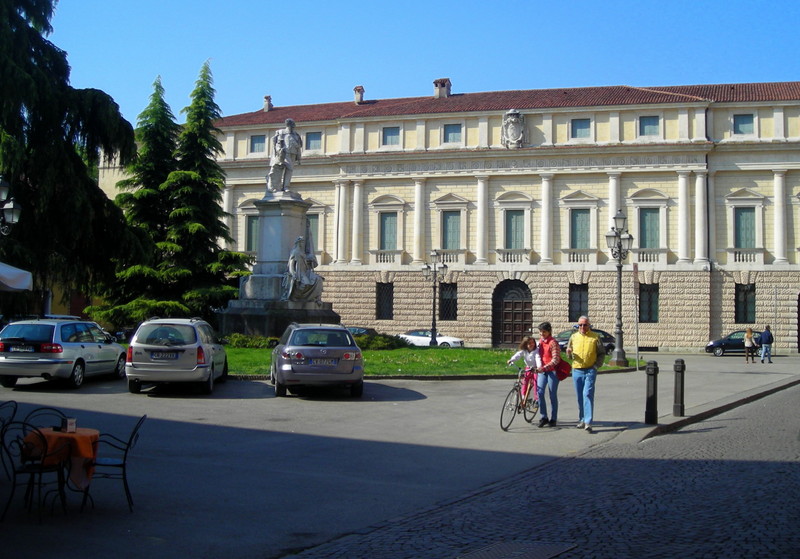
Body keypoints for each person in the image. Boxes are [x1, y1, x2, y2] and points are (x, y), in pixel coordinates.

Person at [566, 316, 605, 433]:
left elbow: (602, 353)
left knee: (587, 393)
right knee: (579, 396)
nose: (583, 327)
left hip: (590, 370)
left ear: (589, 325)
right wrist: (568, 352)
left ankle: (588, 422)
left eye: (585, 325)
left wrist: (596, 366)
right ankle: (582, 419)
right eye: (580, 325)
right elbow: (569, 354)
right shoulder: (573, 337)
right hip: (577, 370)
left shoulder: (595, 337)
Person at [534, 321, 561, 428]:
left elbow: (556, 359)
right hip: (542, 371)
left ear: (549, 331)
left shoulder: (553, 343)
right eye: (540, 332)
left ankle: (553, 418)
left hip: (552, 371)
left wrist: (544, 368)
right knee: (539, 392)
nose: (541, 334)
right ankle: (543, 416)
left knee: (552, 394)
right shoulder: (540, 342)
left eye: (544, 332)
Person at [282, 236, 323, 302]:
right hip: (299, 273)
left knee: (318, 279)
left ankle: (313, 297)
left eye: (303, 242)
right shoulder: (295, 252)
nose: (303, 244)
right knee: (305, 283)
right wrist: (293, 273)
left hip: (305, 272)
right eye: (302, 242)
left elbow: (305, 264)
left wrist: (310, 261)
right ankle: (296, 296)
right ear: (298, 243)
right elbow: (291, 264)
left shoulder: (302, 253)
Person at [266, 118, 302, 193]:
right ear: (288, 125)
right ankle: (275, 186)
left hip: (293, 154)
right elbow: (277, 144)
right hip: (283, 153)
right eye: (291, 126)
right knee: (278, 169)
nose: (292, 128)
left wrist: (299, 158)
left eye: (293, 126)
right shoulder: (281, 132)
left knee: (289, 170)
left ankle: (285, 186)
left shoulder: (296, 135)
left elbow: (298, 147)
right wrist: (279, 151)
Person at [507, 335, 541, 410]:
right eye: (529, 343)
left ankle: (536, 399)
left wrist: (539, 367)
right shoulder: (524, 351)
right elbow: (518, 355)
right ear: (525, 344)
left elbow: (538, 358)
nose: (531, 345)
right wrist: (511, 360)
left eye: (533, 343)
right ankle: (523, 396)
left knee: (536, 383)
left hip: (535, 369)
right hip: (528, 368)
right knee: (524, 382)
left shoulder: (536, 351)